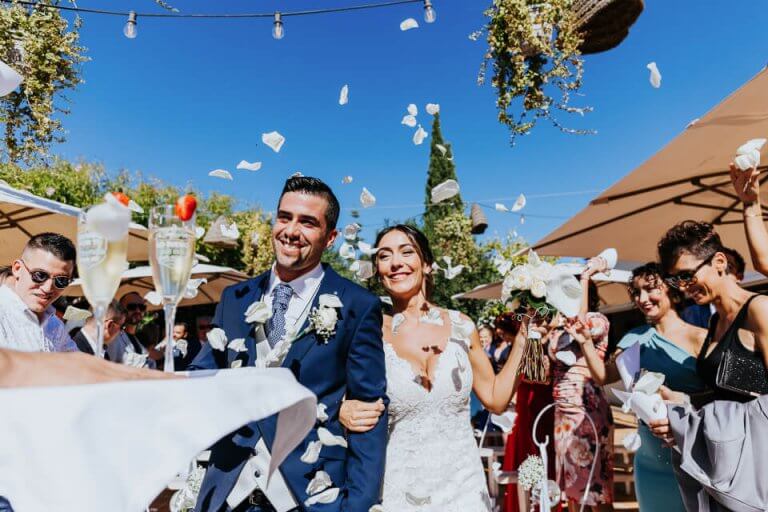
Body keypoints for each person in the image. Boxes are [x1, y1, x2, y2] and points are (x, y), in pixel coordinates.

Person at [189, 176, 388, 512]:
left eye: (308, 222)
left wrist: (356, 506)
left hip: (308, 495)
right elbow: (202, 377)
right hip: (227, 491)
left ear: (330, 237)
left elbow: (369, 414)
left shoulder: (357, 305)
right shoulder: (234, 298)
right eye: (285, 217)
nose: (291, 231)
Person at [339, 224, 527, 510]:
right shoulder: (366, 332)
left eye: (406, 252)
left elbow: (495, 398)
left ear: (427, 264)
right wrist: (341, 409)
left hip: (465, 491)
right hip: (398, 492)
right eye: (384, 256)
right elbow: (331, 395)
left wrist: (524, 338)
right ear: (377, 270)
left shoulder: (463, 326)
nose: (396, 263)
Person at [574, 262, 708, 512]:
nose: (642, 298)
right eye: (636, 292)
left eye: (650, 289)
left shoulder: (700, 338)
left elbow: (715, 399)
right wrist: (585, 343)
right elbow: (604, 376)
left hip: (690, 453)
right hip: (649, 459)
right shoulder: (633, 338)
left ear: (671, 290)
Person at [548, 256, 614, 512]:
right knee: (573, 488)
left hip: (588, 410)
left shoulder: (597, 321)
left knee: (596, 490)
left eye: (570, 291)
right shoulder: (558, 331)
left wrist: (585, 278)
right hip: (562, 413)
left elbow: (582, 325)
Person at [501, 313, 557, 512]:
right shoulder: (525, 345)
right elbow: (533, 376)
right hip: (528, 410)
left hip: (546, 411)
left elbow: (541, 377)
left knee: (546, 462)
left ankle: (547, 506)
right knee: (528, 464)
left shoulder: (553, 344)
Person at [0, 233, 78, 353]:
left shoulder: (55, 325)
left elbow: (76, 363)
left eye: (61, 280)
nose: (47, 288)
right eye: (40, 275)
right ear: (17, 269)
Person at [107, 292, 155, 368]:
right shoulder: (112, 336)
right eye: (132, 307)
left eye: (142, 307)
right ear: (121, 309)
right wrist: (150, 357)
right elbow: (113, 366)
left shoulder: (138, 340)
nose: (138, 311)